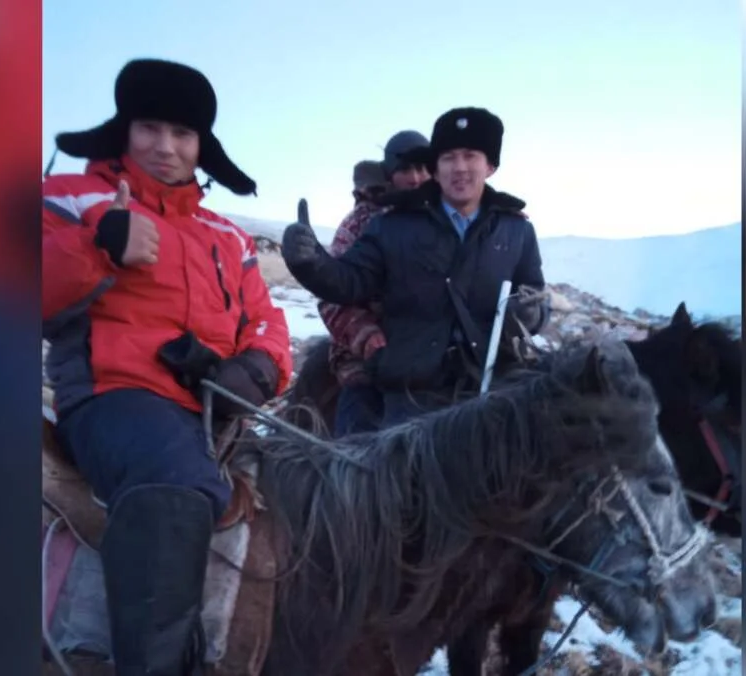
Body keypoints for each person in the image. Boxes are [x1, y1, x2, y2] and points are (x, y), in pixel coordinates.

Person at [42, 58, 293, 674]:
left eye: (182, 134)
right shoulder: (73, 200)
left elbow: (267, 321)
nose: (166, 146)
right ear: (123, 130)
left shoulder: (226, 236)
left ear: (201, 145)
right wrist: (98, 249)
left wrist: (257, 371)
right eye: (150, 127)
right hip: (113, 397)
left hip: (209, 413)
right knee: (179, 482)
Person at [283, 107, 549, 427]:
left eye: (470, 156)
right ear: (438, 167)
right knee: (361, 455)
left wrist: (532, 312)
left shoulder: (517, 230)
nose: (460, 167)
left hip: (489, 387)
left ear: (490, 165)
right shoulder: (390, 225)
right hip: (411, 394)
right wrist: (311, 262)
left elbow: (534, 292)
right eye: (449, 157)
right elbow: (347, 282)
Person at [320, 131, 431, 435]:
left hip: (431, 350)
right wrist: (366, 335)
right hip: (369, 356)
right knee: (358, 432)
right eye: (406, 170)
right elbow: (331, 295)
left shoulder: (449, 217)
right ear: (389, 175)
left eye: (423, 168)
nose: (416, 178)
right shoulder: (360, 223)